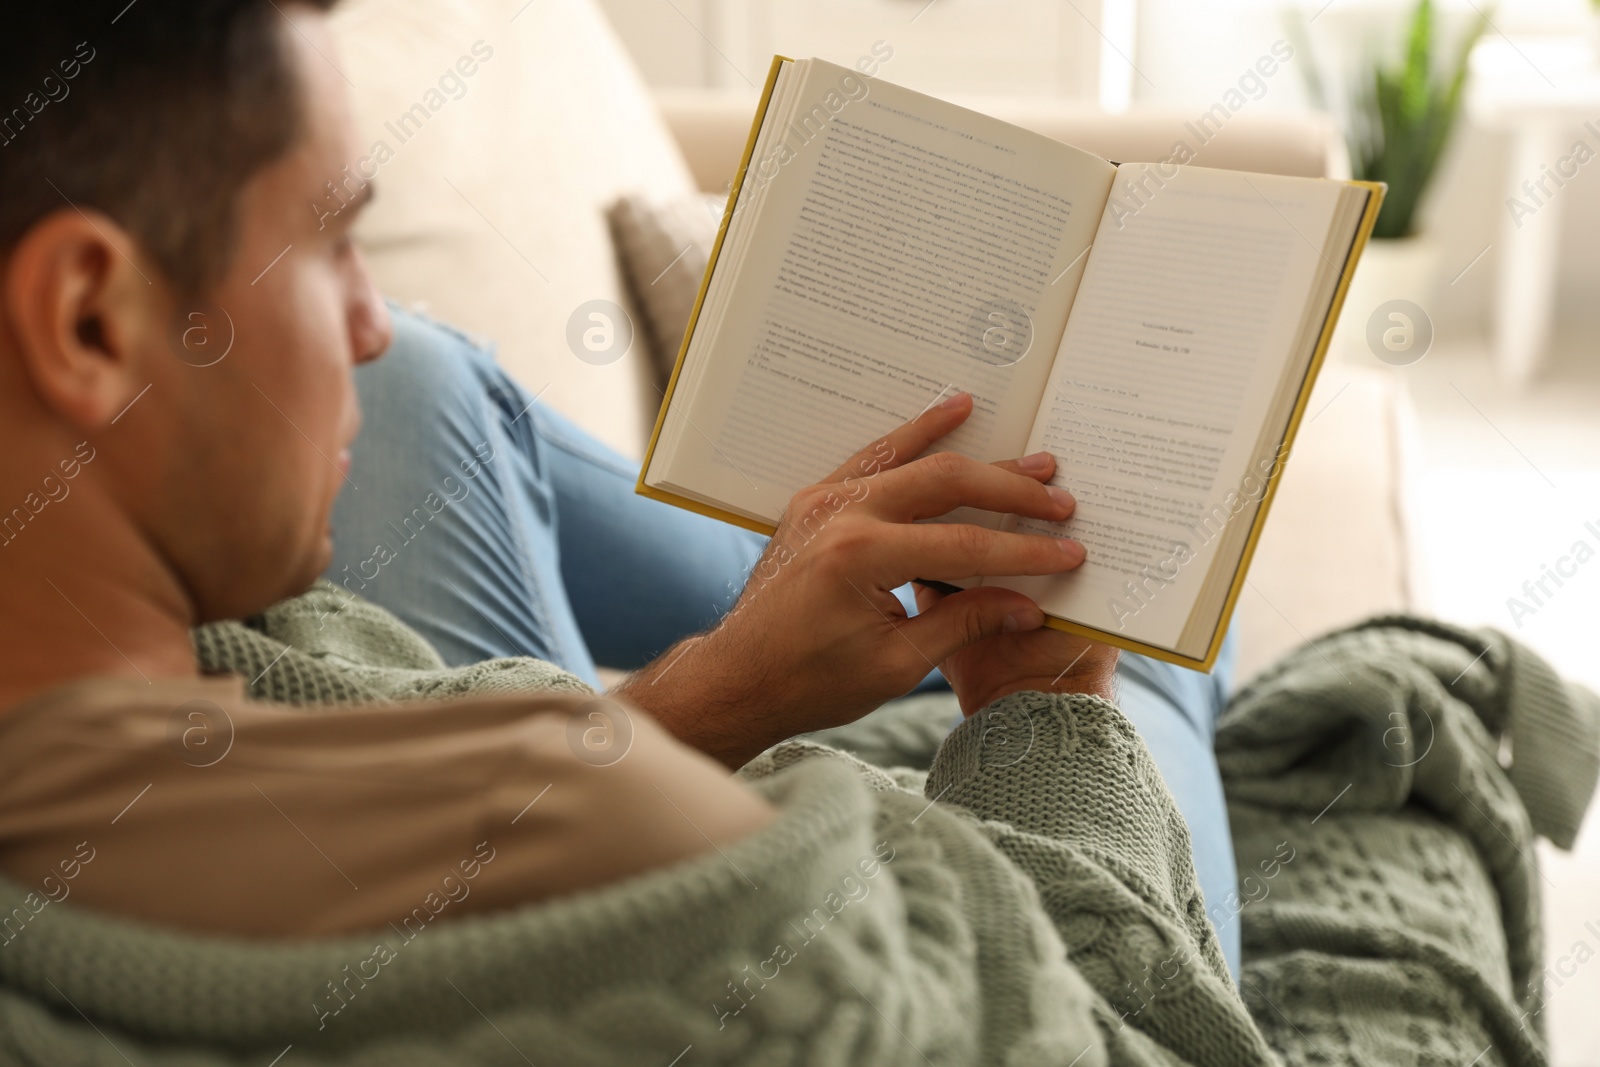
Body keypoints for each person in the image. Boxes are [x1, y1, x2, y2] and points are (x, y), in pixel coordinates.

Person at [0, 2, 1262, 1062]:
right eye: (335, 243)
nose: (372, 320)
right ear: (89, 322)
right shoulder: (629, 855)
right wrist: (1046, 713)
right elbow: (1106, 1031)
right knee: (1137, 629)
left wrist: (715, 690)